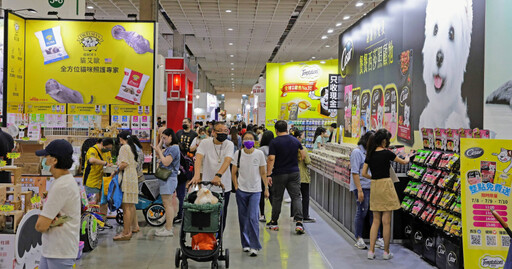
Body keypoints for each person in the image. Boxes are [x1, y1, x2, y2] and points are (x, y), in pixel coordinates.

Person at [362, 129, 410, 260]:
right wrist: (408, 157)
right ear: (384, 141)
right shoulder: (387, 154)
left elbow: (363, 173)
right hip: (386, 186)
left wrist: (373, 177)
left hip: (375, 186)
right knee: (386, 222)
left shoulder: (370, 154)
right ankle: (386, 252)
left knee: (375, 221)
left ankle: (371, 252)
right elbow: (404, 162)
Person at [35, 140, 80, 269]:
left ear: (54, 160)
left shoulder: (61, 186)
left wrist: (43, 222)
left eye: (46, 157)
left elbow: (41, 225)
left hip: (60, 251)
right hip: (53, 249)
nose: (44, 161)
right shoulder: (63, 181)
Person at [188, 122, 234, 231]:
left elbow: (227, 160)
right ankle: (206, 236)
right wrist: (196, 175)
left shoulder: (229, 144)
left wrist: (218, 175)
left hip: (224, 185)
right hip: (207, 185)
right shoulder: (205, 143)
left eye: (225, 131)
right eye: (220, 131)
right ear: (213, 132)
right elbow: (198, 158)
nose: (223, 133)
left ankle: (219, 237)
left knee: (222, 212)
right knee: (205, 212)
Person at [231, 131, 269, 257]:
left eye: (250, 139)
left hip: (256, 191)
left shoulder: (259, 154)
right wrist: (236, 186)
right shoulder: (238, 153)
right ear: (242, 140)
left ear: (254, 141)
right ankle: (245, 244)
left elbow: (263, 173)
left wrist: (266, 188)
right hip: (241, 191)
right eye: (246, 138)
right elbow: (233, 172)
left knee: (253, 217)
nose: (248, 141)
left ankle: (254, 245)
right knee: (243, 218)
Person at [266, 120, 306, 234]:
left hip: (279, 173)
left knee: (277, 198)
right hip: (294, 172)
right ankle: (299, 222)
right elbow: (303, 155)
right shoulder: (295, 140)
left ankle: (274, 222)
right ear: (287, 129)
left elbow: (271, 159)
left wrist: (268, 175)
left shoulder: (274, 142)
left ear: (276, 130)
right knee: (296, 197)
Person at [350, 131, 385, 250]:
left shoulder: (371, 152)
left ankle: (377, 238)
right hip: (362, 187)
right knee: (362, 212)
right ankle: (358, 238)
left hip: (373, 186)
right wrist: (359, 190)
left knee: (374, 213)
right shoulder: (357, 152)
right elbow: (355, 172)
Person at [152, 128, 180, 236]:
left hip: (169, 178)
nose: (163, 140)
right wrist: (160, 141)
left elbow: (166, 162)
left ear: (171, 137)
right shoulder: (169, 148)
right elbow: (159, 150)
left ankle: (168, 229)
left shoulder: (174, 148)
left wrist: (159, 150)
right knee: (166, 203)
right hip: (167, 179)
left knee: (167, 204)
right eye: (162, 138)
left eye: (165, 138)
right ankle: (167, 227)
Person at [114, 131, 139, 241]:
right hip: (132, 177)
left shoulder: (124, 147)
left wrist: (116, 170)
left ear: (120, 139)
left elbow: (124, 164)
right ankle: (134, 226)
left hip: (127, 178)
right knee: (131, 205)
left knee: (126, 207)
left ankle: (125, 232)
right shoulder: (132, 147)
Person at [83, 138, 114, 227]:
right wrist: (104, 163)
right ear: (101, 143)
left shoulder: (107, 152)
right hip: (92, 180)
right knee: (93, 203)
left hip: (103, 180)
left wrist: (112, 170)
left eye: (109, 149)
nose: (107, 150)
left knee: (104, 201)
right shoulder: (92, 150)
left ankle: (103, 221)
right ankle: (93, 224)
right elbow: (92, 160)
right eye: (106, 148)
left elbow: (110, 163)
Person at [291, 130, 315, 222]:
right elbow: (308, 161)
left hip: (292, 175)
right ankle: (305, 215)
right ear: (298, 138)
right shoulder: (302, 149)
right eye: (302, 137)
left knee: (295, 196)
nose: (303, 138)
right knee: (305, 196)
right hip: (302, 175)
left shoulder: (290, 148)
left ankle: (294, 215)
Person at [258, 130, 274, 222]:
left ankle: (262, 214)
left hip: (261, 174)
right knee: (273, 195)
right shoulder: (274, 149)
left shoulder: (260, 150)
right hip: (272, 174)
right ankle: (274, 216)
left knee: (261, 194)